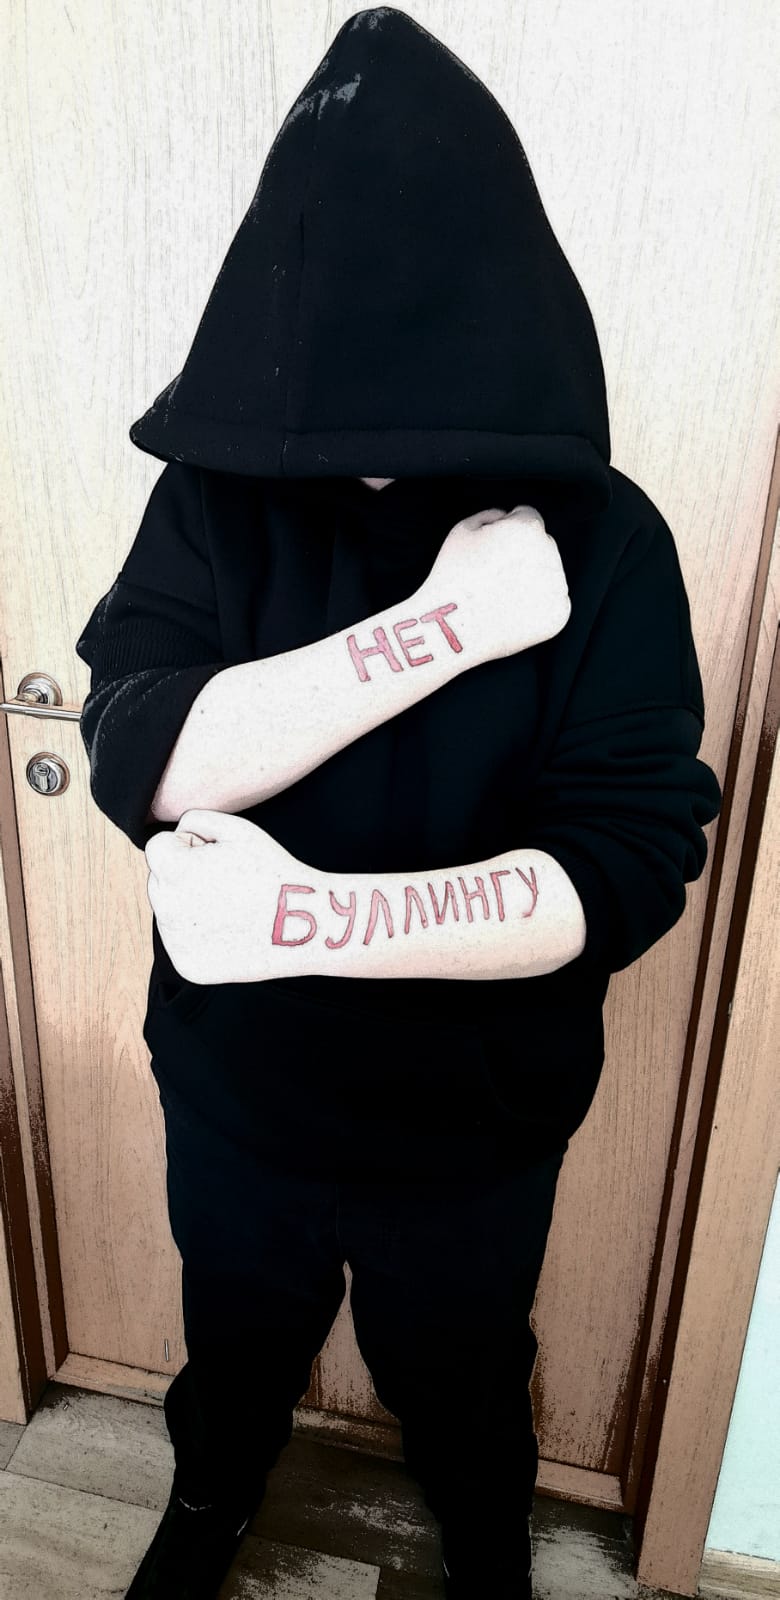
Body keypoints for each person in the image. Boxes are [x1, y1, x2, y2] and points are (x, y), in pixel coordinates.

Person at [74, 8, 722, 1598]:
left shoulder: (608, 541)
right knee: (236, 1333)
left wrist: (300, 919)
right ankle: (211, 1502)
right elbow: (139, 749)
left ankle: (484, 1533)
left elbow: (628, 859)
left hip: (476, 1111)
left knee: (460, 1361)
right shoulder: (215, 492)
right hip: (239, 1084)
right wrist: (435, 631)